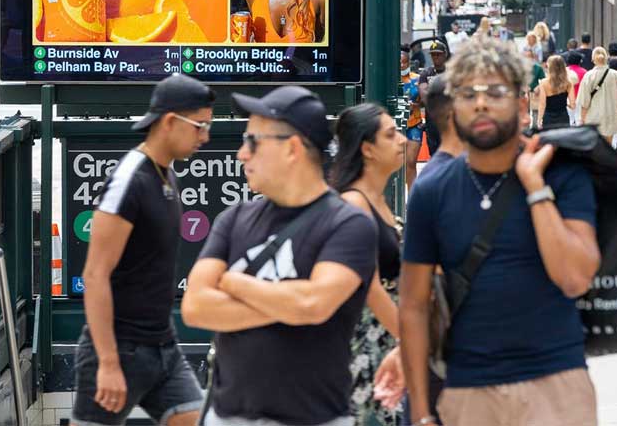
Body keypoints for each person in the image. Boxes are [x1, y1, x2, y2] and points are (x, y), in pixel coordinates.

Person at [399, 38, 601, 426]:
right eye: (467, 94)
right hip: (468, 391)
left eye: (495, 92)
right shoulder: (431, 191)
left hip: (555, 384)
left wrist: (535, 187)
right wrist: (422, 413)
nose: (480, 103)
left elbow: (575, 277)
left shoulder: (563, 173)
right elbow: (412, 306)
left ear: (523, 105)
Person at [181, 86, 378, 426]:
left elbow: (312, 304)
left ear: (292, 148)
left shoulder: (348, 224)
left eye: (253, 141)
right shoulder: (235, 217)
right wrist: (287, 305)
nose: (242, 154)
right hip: (226, 417)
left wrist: (233, 283)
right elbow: (196, 307)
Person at [74, 74, 214, 426]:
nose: (205, 136)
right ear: (169, 122)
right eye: (199, 126)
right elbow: (95, 274)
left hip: (163, 347)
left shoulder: (166, 174)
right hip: (117, 349)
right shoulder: (130, 180)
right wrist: (107, 363)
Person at [332, 104, 407, 426]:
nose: (403, 140)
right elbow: (370, 287)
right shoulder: (354, 204)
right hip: (367, 343)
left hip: (389, 336)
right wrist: (413, 339)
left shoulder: (376, 200)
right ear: (367, 149)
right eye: (391, 135)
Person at [577, 47, 617, 143]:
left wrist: (582, 119)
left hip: (593, 119)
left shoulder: (588, 76)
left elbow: (584, 102)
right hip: (611, 117)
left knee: (595, 150)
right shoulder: (616, 75)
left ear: (593, 59)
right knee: (608, 147)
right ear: (606, 58)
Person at [418, 40, 450, 159]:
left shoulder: (452, 72)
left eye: (438, 54)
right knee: (434, 155)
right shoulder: (426, 73)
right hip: (432, 122)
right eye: (433, 54)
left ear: (444, 54)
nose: (436, 57)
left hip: (449, 120)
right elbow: (424, 94)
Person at [400, 47, 424, 189]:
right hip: (398, 125)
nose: (401, 65)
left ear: (409, 63)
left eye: (404, 62)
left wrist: (416, 104)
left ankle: (412, 195)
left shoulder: (416, 79)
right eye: (399, 63)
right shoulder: (390, 80)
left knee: (411, 161)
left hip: (414, 124)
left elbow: (424, 100)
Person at [537, 55, 575, 130]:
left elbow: (542, 104)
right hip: (563, 117)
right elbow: (573, 105)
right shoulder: (568, 83)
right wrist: (566, 104)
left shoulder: (544, 83)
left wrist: (539, 119)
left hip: (548, 118)